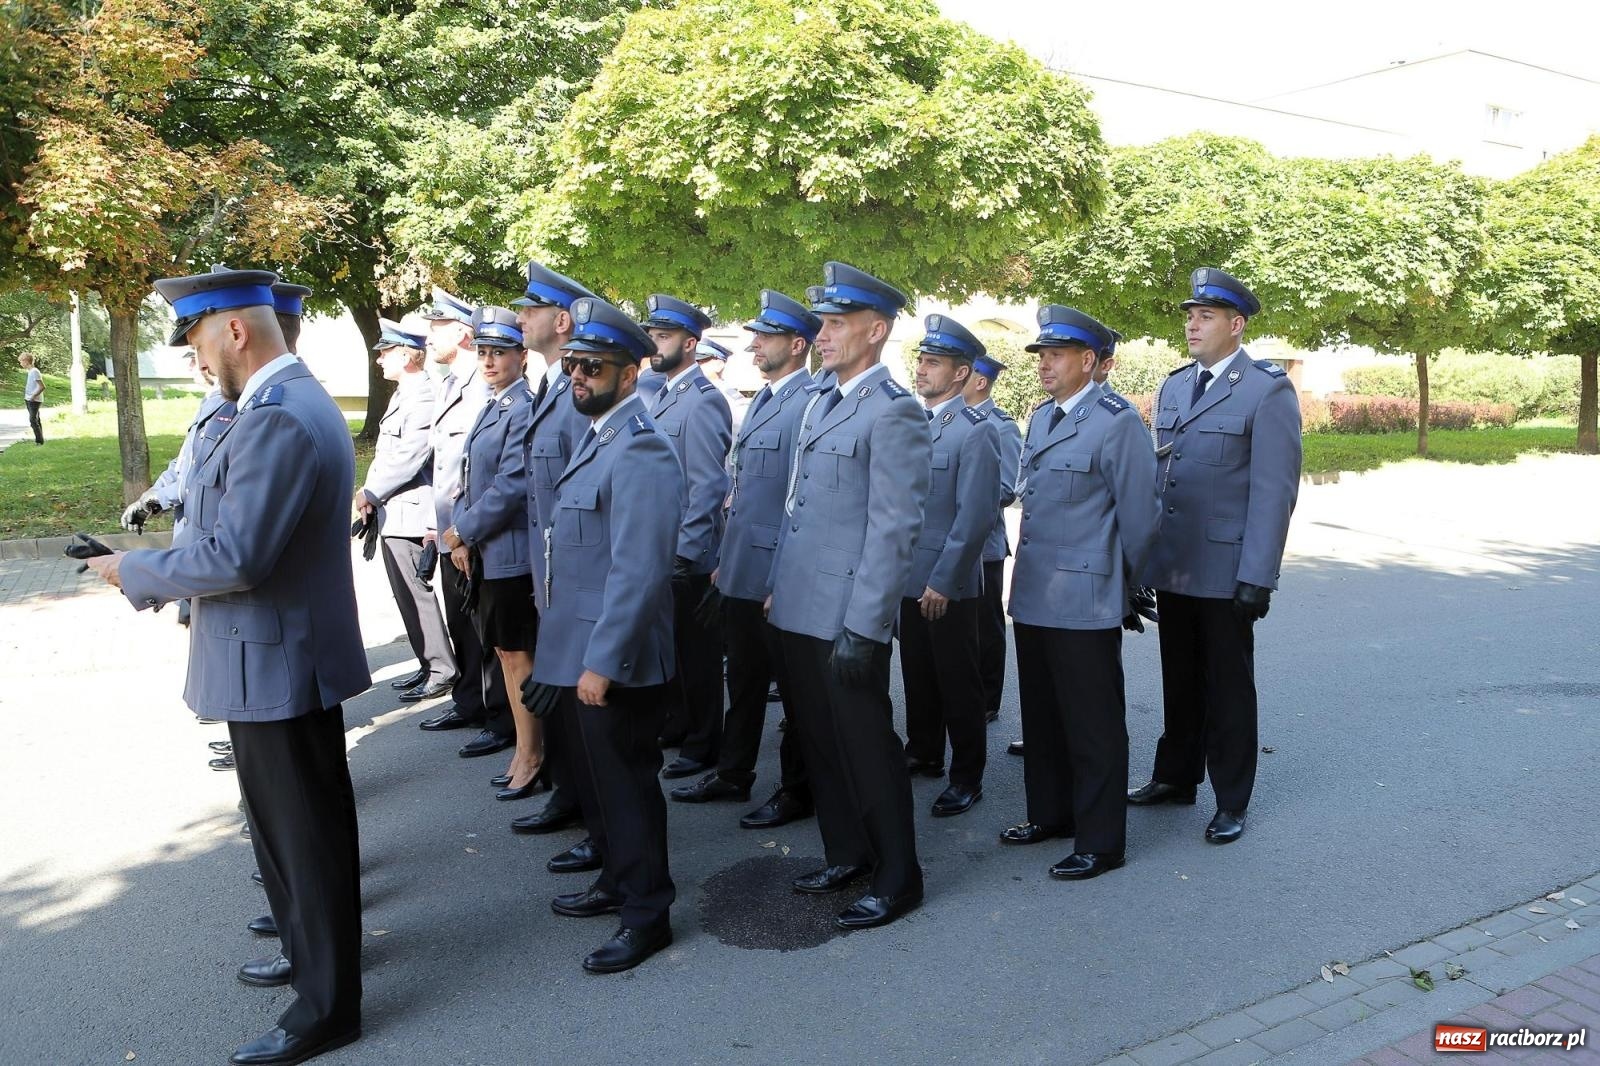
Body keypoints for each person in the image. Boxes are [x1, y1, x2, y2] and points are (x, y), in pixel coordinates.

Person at [85, 267, 368, 1066]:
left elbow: (238, 555)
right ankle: (311, 960)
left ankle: (326, 1008)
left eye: (201, 342)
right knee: (288, 835)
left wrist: (134, 571)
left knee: (303, 837)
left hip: (275, 661)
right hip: (269, 658)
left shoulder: (278, 417)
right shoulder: (273, 407)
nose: (201, 362)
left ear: (234, 330)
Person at [520, 296, 683, 973]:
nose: (576, 377)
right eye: (572, 366)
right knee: (599, 784)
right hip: (580, 649)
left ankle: (647, 914)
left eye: (590, 367)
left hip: (613, 660)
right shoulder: (602, 436)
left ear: (628, 373)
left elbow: (638, 572)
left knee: (627, 789)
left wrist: (602, 663)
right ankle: (618, 879)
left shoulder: (640, 450)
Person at [767, 261, 930, 930]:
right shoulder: (821, 401)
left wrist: (866, 627)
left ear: (876, 330)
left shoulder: (893, 412)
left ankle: (898, 876)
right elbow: (800, 508)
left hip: (846, 615)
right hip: (800, 605)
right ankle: (848, 852)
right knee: (821, 741)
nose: (823, 334)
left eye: (836, 324)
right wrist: (778, 590)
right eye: (823, 322)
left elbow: (894, 529)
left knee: (866, 746)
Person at [1128, 268, 1302, 845]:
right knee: (1179, 678)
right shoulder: (1175, 386)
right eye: (1189, 316)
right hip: (1176, 561)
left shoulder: (1266, 388)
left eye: (1205, 316)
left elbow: (1275, 491)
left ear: (1236, 324)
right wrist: (1144, 559)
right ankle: (1175, 778)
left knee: (1228, 685)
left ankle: (1232, 798)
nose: (1192, 325)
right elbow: (1162, 476)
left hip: (1228, 570)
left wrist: (1259, 574)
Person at [1000, 305, 1158, 881]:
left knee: (1092, 724)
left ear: (1089, 361)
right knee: (1042, 716)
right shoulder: (1042, 418)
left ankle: (1101, 840)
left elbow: (1141, 518)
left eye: (1056, 354)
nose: (1044, 364)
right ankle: (1051, 814)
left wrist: (1132, 584)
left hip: (1087, 597)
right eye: (1041, 354)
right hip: (1037, 591)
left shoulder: (1117, 422)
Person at [669, 289, 818, 830]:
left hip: (776, 574)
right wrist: (727, 560)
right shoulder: (766, 396)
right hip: (742, 567)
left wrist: (783, 577)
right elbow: (744, 491)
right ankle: (733, 772)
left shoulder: (807, 401)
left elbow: (799, 502)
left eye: (766, 336)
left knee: (794, 691)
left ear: (797, 345)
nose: (754, 344)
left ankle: (797, 788)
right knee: (747, 680)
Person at [507, 262, 603, 872]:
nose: (520, 319)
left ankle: (598, 823)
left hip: (574, 586)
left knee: (589, 717)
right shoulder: (551, 386)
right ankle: (573, 798)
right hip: (551, 584)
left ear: (561, 321)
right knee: (566, 709)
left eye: (530, 310)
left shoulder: (579, 395)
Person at [898, 314, 1000, 818]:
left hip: (948, 583)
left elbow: (976, 515)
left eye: (933, 363)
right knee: (917, 673)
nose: (922, 369)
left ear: (961, 374)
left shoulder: (975, 432)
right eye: (921, 360)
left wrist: (944, 579)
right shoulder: (913, 422)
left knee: (958, 682)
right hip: (908, 575)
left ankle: (967, 775)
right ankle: (923, 751)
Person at [442, 306, 543, 801]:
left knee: (517, 655)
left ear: (522, 356)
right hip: (489, 549)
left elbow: (512, 485)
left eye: (500, 352)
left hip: (513, 553)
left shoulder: (521, 405)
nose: (488, 361)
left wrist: (463, 529)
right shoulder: (494, 403)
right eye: (483, 352)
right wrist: (463, 534)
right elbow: (469, 477)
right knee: (505, 653)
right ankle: (525, 748)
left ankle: (531, 753)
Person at [417, 288, 515, 757]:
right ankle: (473, 702)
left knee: (491, 634)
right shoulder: (457, 383)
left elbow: (490, 475)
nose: (429, 335)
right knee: (467, 624)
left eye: (437, 326)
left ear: (460, 330)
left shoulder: (484, 389)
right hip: (457, 524)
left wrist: (463, 530)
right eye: (485, 353)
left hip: (476, 530)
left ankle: (497, 716)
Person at [639, 294, 733, 780]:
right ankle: (678, 725)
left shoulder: (703, 399)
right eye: (653, 335)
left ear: (691, 343)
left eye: (665, 336)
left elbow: (708, 486)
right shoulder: (664, 392)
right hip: (664, 550)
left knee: (697, 658)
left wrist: (685, 552)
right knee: (672, 650)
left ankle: (703, 744)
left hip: (689, 557)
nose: (655, 344)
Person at [357, 318, 456, 702]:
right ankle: (427, 663)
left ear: (404, 354)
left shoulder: (424, 394)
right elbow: (386, 454)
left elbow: (410, 455)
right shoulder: (404, 393)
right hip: (394, 510)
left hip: (411, 510)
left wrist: (370, 492)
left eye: (385, 352)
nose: (379, 360)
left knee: (417, 593)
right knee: (403, 594)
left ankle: (442, 668)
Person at [694, 336, 751, 432]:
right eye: (693, 362)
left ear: (719, 365)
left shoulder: (732, 401)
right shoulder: (689, 392)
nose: (695, 366)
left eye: (700, 361)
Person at [19, 353, 44, 445]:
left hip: (34, 400)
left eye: (21, 361)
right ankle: (40, 440)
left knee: (33, 420)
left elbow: (42, 386)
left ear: (26, 361)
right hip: (29, 398)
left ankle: (39, 441)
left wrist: (33, 396)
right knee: (36, 419)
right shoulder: (30, 372)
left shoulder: (34, 372)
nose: (21, 363)